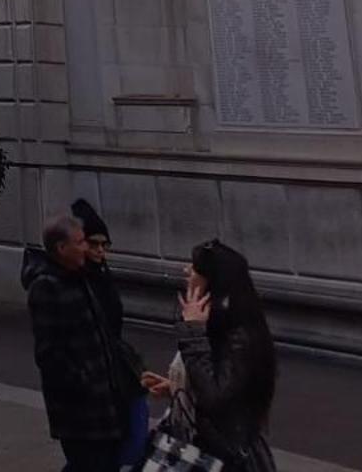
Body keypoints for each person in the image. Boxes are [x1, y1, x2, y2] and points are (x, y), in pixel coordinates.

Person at [143, 240, 278, 472]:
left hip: (219, 457)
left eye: (195, 268)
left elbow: (216, 398)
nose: (186, 270)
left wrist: (194, 334)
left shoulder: (238, 334)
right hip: (193, 446)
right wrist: (176, 387)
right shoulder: (213, 323)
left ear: (211, 280)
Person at [22, 213, 137, 472]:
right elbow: (49, 353)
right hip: (81, 412)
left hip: (105, 403)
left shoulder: (82, 278)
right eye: (81, 242)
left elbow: (107, 329)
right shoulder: (47, 287)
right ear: (62, 248)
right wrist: (83, 383)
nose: (87, 247)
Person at [71, 198, 146, 470]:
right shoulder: (74, 282)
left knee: (127, 442)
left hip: (113, 368)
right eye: (94, 244)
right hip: (95, 377)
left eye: (105, 245)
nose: (100, 251)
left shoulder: (101, 276)